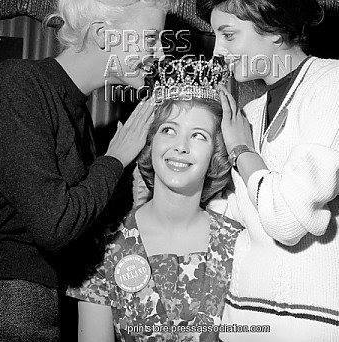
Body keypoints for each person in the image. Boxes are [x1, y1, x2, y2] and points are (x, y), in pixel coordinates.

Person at [0, 0, 168, 341]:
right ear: (103, 35)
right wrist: (115, 160)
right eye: (151, 39)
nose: (160, 53)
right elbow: (55, 224)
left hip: (35, 302)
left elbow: (75, 238)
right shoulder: (19, 85)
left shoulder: (76, 113)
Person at [197, 0, 339, 341]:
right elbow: (236, 216)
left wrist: (242, 152)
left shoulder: (337, 81)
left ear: (273, 25)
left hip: (325, 322)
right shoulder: (249, 113)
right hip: (248, 320)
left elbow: (288, 220)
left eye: (228, 35)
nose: (218, 51)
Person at [66, 58, 244, 342]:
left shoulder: (239, 243)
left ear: (216, 152)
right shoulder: (103, 245)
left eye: (198, 136)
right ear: (150, 142)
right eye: (168, 130)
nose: (180, 146)